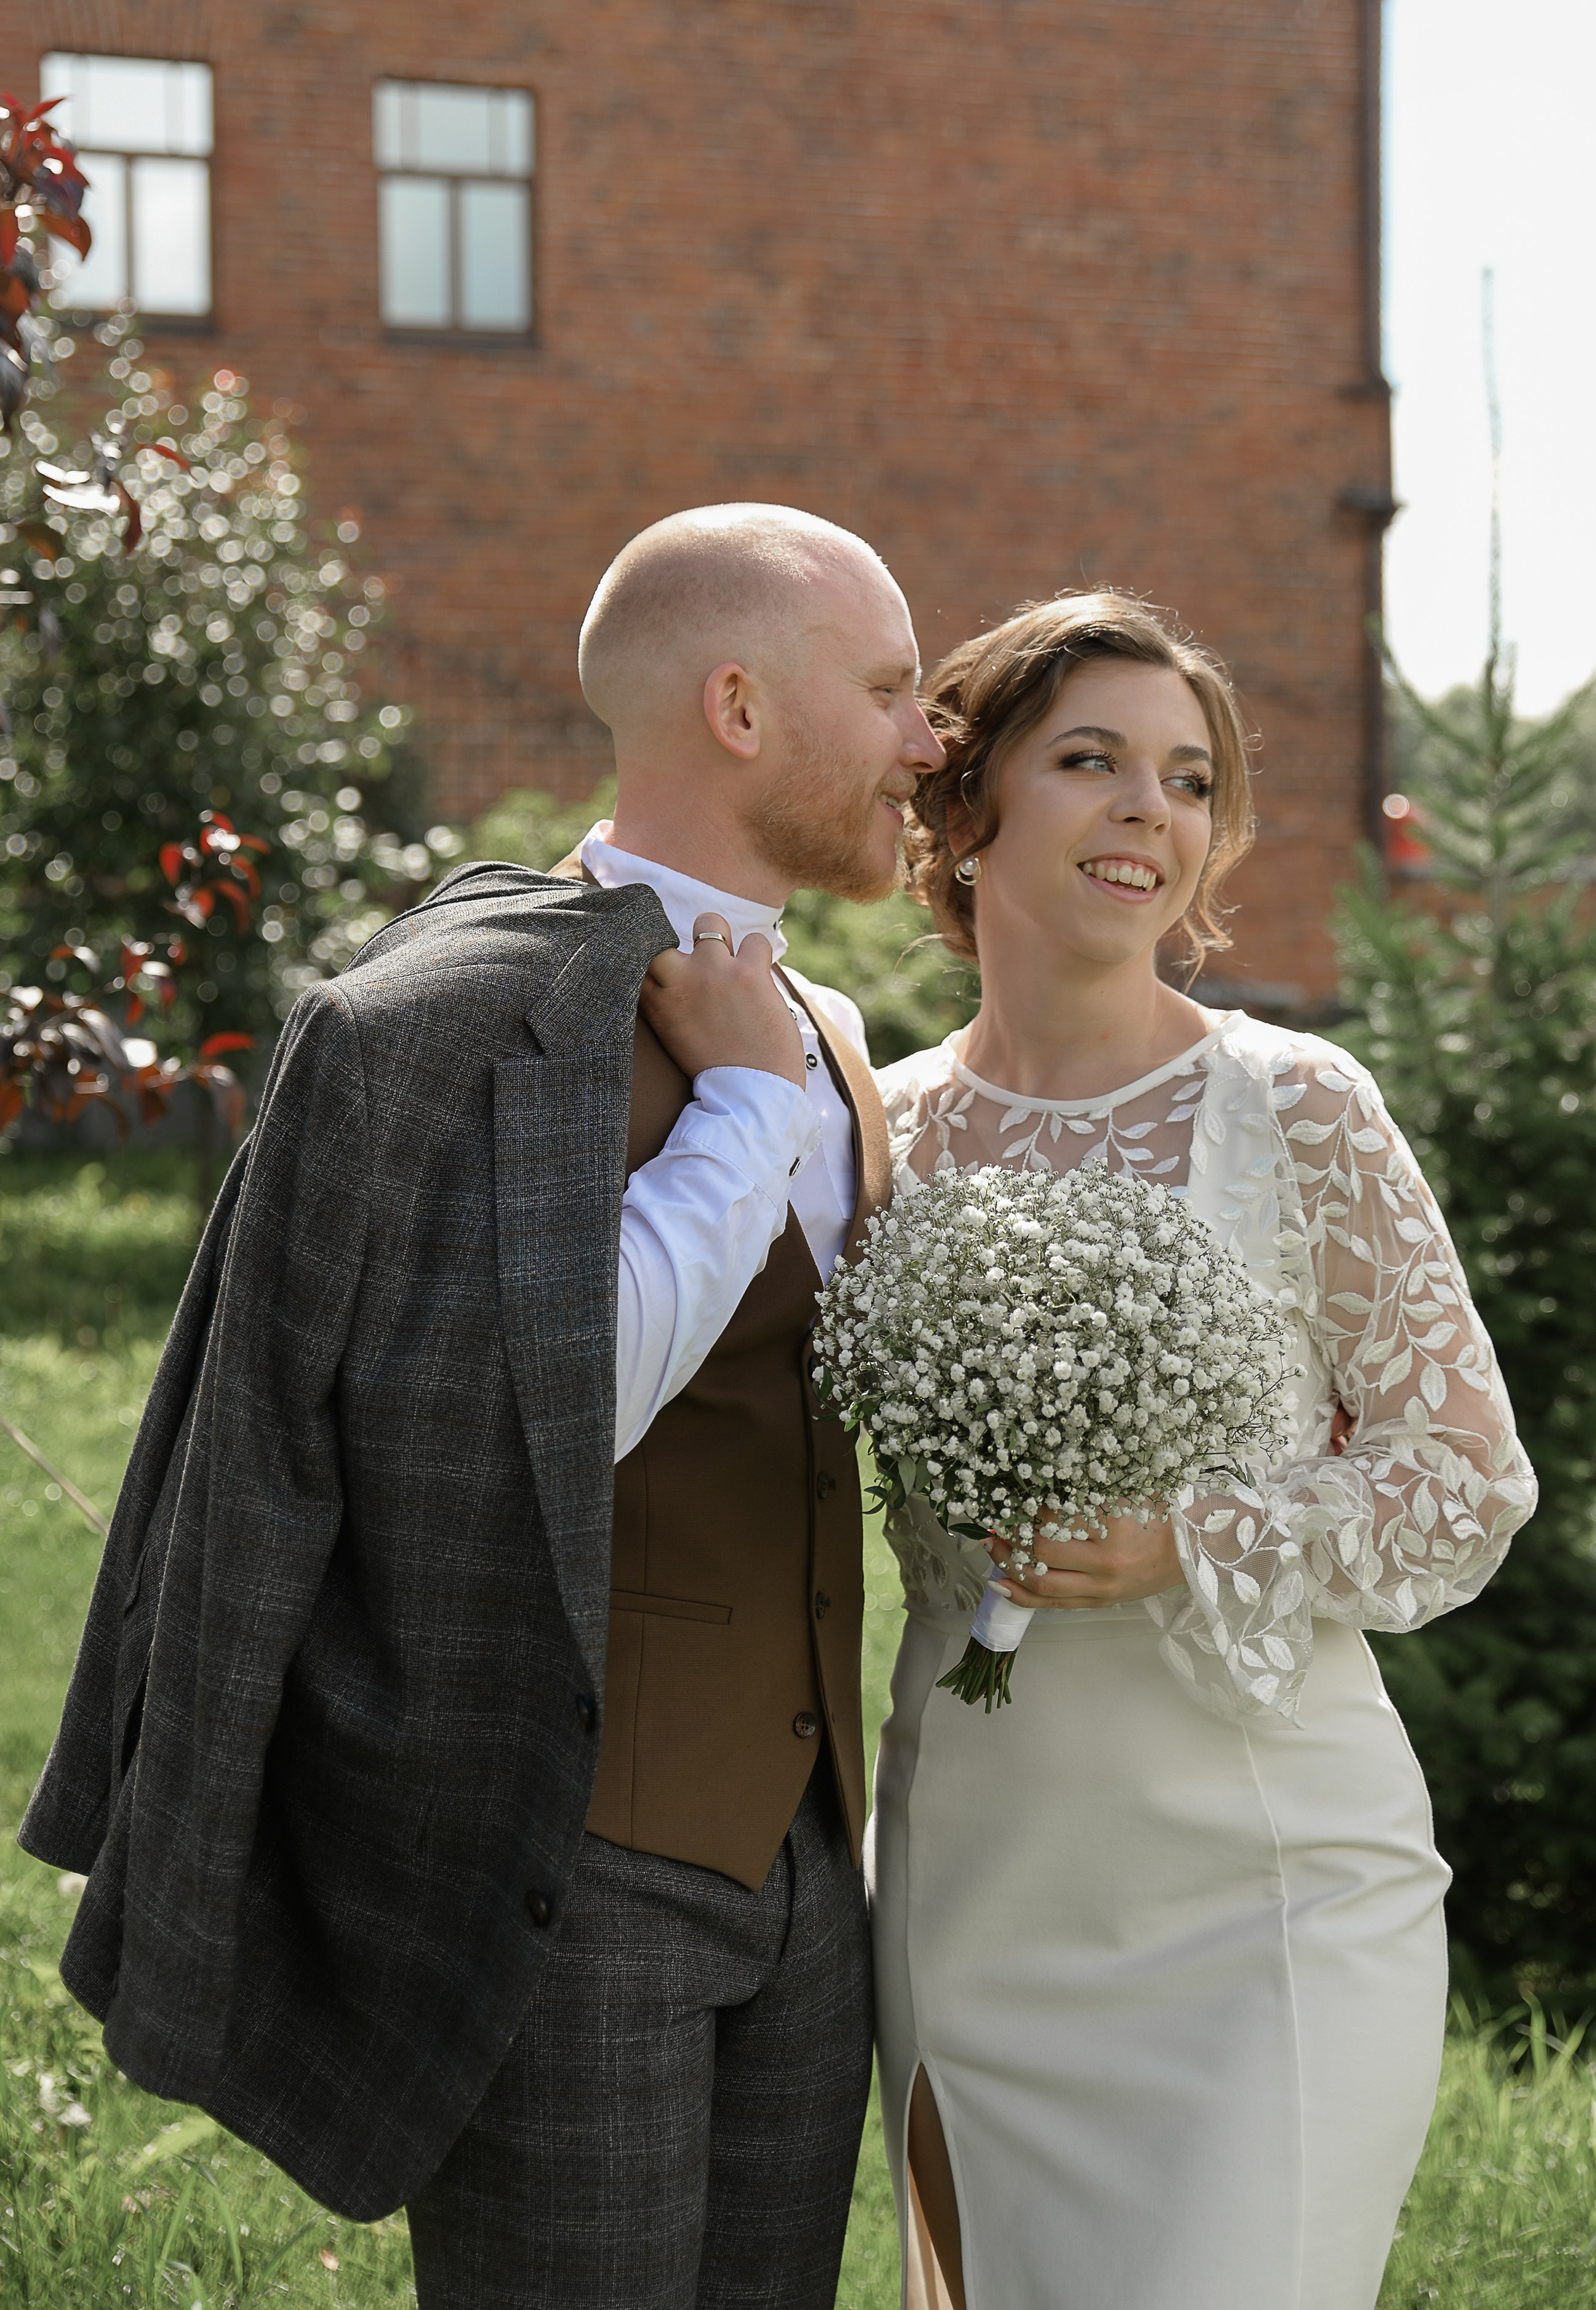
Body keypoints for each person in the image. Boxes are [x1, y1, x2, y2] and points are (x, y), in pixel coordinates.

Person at [19, 502, 943, 2310]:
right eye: (896, 687)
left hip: (812, 1873)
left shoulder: (833, 1031)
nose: (930, 737)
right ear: (741, 707)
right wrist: (744, 1115)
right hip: (563, 1876)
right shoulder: (447, 1019)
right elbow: (529, 1423)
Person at [866, 591, 1536, 2310]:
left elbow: (1466, 1479)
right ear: (968, 807)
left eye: (1186, 777)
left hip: (1267, 1893)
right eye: (1090, 761)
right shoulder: (875, 1131)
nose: (1149, 811)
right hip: (973, 1894)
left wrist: (1194, 1533)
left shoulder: (1297, 1106)